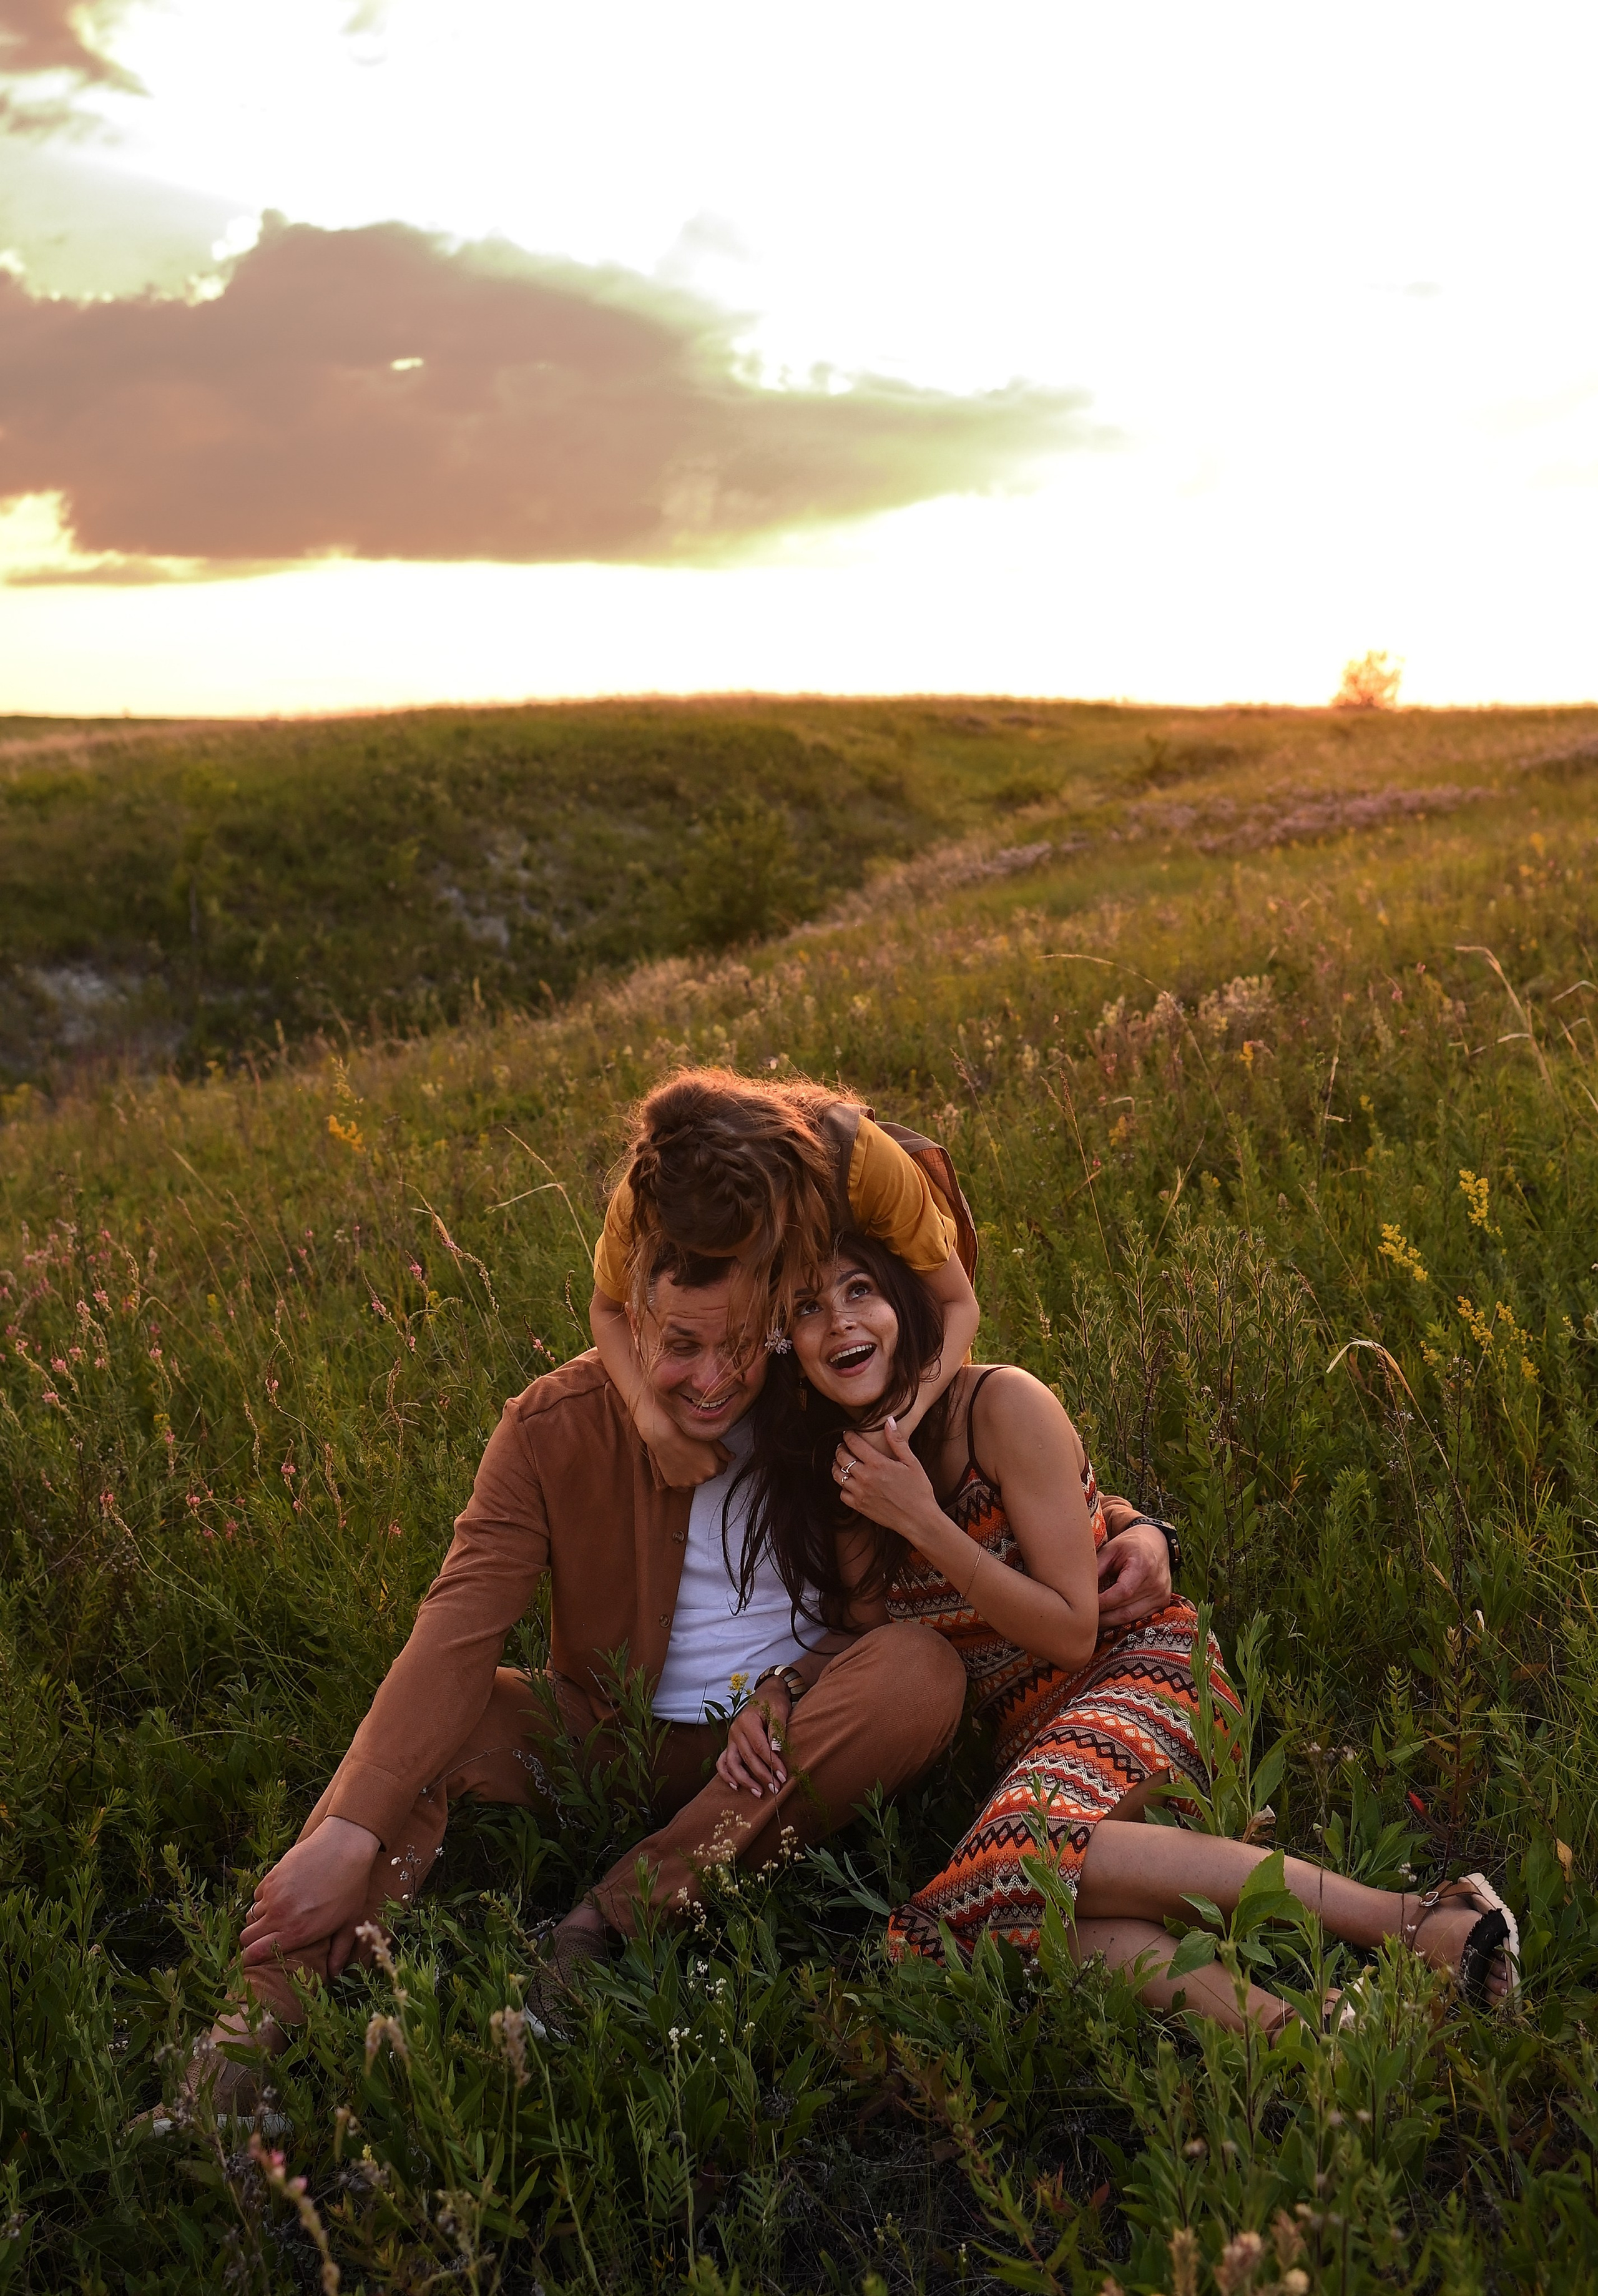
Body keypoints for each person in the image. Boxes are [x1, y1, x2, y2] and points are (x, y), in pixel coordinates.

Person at [187, 1251, 1173, 2109]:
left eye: (738, 1343)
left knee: (920, 1670)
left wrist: (1136, 1527)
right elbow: (453, 1629)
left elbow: (974, 1448)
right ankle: (248, 2033)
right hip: (607, 1731)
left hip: (792, 1743)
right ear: (631, 1325)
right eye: (680, 1345)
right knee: (458, 1713)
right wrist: (354, 1830)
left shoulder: (816, 1391)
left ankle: (610, 1919)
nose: (712, 1379)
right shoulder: (555, 1425)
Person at [721, 1236, 1519, 2029]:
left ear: (906, 1301)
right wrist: (780, 1690)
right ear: (791, 1346)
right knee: (996, 1915)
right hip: (1036, 1752)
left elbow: (1073, 1632)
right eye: (809, 1307)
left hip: (1144, 1679)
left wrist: (926, 1523)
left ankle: (1414, 1918)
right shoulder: (854, 1477)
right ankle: (1304, 2033)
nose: (840, 1322)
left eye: (860, 1290)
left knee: (1024, 1858)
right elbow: (865, 1640)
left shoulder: (1000, 1405)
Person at [589, 1069, 981, 1487]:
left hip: (896, 1354)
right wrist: (657, 1430)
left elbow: (956, 1303)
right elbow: (608, 1310)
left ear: (788, 1178)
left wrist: (901, 1417)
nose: (752, 1262)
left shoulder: (861, 1160)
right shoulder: (649, 1191)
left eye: (758, 1241)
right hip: (761, 1350)